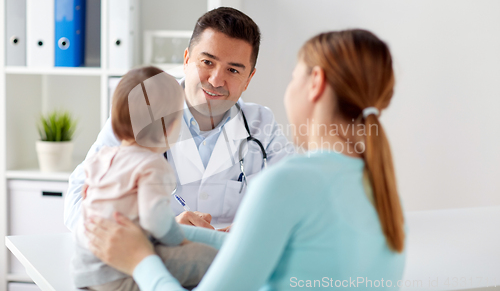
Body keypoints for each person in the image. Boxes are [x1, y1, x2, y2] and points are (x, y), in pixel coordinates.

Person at [85, 29, 407, 290]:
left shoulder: (285, 181)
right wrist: (171, 231)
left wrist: (140, 260)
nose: (215, 80)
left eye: (293, 77)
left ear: (315, 83)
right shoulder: (381, 188)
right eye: (207, 63)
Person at [64, 7, 294, 232]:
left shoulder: (261, 124)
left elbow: (297, 199)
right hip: (153, 258)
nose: (215, 80)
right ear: (186, 60)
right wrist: (158, 231)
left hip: (230, 260)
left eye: (233, 70)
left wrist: (254, 230)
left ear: (248, 79)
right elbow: (78, 201)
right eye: (207, 62)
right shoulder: (141, 109)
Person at [72, 67, 218, 290]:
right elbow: (155, 221)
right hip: (120, 272)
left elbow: (88, 201)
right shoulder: (152, 165)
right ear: (170, 128)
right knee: (210, 259)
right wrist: (181, 240)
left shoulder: (102, 158)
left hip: (85, 269)